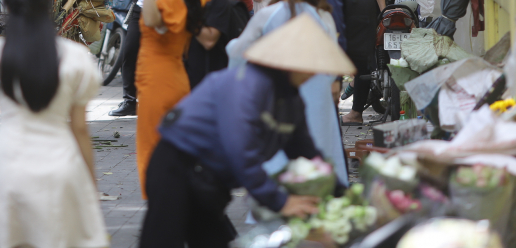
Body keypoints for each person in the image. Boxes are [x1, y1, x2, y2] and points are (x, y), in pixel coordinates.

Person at [139, 14, 355, 248]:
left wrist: (342, 195)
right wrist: (280, 201)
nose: (315, 72)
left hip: (210, 181)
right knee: (161, 241)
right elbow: (241, 150)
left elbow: (304, 150)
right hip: (176, 166)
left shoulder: (291, 100)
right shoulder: (247, 84)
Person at [0, 0, 108, 248]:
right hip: (60, 163)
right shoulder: (75, 58)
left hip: (9, 162)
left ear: (7, 4)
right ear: (48, 1)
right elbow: (80, 129)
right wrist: (90, 183)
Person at [227, 0, 347, 187]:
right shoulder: (324, 17)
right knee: (319, 155)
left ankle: (278, 204)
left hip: (276, 101)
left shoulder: (267, 14)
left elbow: (236, 53)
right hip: (319, 103)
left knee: (279, 157)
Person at [135, 0, 211, 197]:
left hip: (160, 82)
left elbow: (152, 20)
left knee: (152, 146)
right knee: (168, 146)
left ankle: (163, 205)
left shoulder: (171, 0)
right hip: (167, 79)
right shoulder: (180, 0)